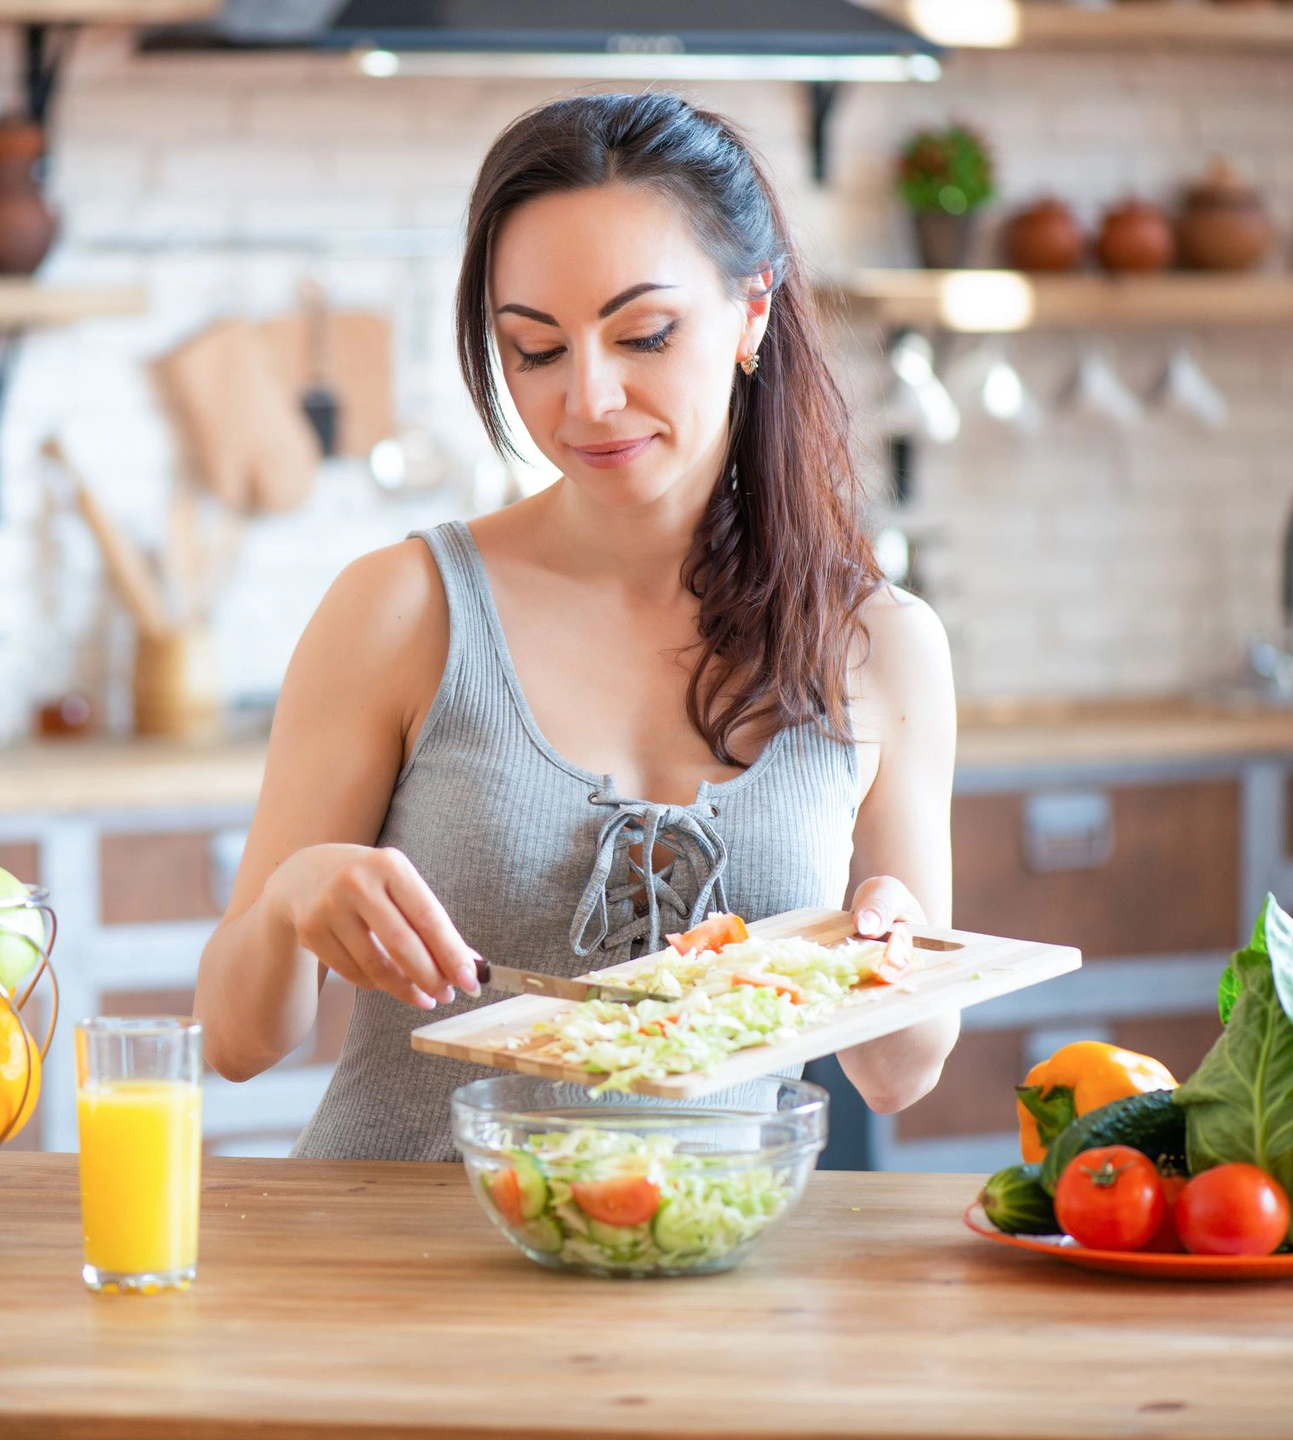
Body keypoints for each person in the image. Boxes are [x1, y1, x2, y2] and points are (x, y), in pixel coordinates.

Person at [195, 91, 958, 1162]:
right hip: (392, 1284)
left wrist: (886, 943)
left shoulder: (879, 646)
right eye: (535, 350)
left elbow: (900, 1072)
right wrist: (288, 903)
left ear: (752, 309)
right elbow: (233, 1041)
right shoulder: (404, 608)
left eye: (644, 334)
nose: (588, 400)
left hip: (690, 1281)